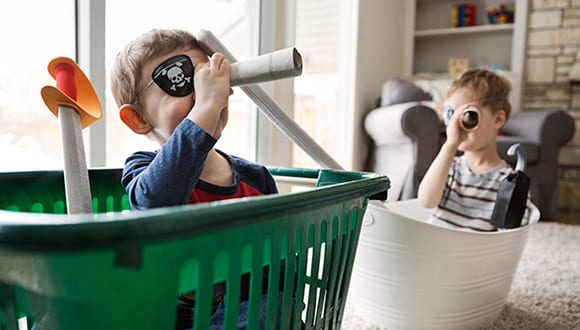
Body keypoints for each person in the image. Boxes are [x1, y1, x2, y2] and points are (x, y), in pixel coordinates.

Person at [110, 28, 281, 329]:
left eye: (208, 83)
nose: (206, 95)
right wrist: (204, 108)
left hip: (236, 317)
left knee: (277, 303)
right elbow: (155, 205)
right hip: (161, 317)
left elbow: (275, 269)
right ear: (139, 119)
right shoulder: (141, 168)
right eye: (183, 84)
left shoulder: (258, 180)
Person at [418, 68, 531, 231]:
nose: (456, 125)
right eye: (451, 114)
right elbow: (426, 201)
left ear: (498, 119)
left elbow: (510, 238)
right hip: (436, 248)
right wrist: (450, 144)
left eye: (468, 116)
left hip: (474, 254)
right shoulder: (450, 166)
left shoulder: (509, 181)